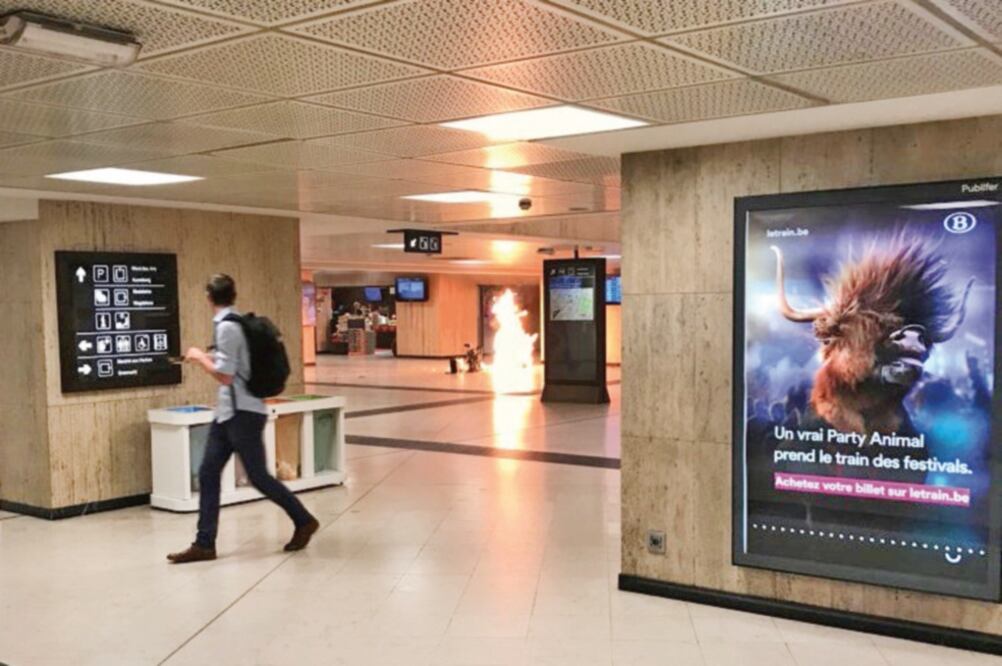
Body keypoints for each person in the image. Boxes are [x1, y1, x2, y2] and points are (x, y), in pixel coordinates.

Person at [167, 274, 319, 564]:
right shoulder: (233, 323)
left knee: (258, 476)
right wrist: (209, 357)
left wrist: (199, 357)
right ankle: (204, 543)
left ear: (208, 297)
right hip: (228, 414)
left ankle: (304, 520)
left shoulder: (227, 327)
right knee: (209, 473)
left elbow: (225, 376)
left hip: (242, 414)